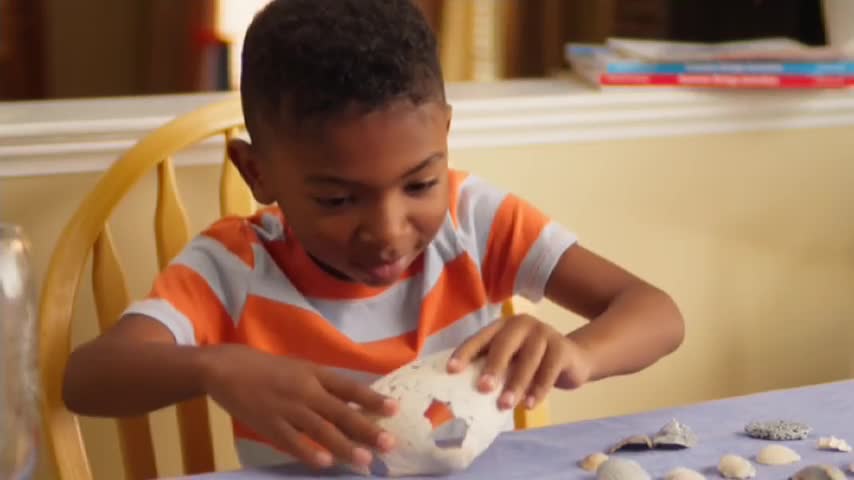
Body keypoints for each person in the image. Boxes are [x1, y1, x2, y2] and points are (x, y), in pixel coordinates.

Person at [62, 0, 684, 473]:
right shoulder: (232, 266)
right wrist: (211, 368)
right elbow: (86, 379)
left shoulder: (477, 220)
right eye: (336, 199)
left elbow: (656, 313)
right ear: (258, 173)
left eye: (419, 184)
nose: (388, 232)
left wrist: (579, 355)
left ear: (443, 135)